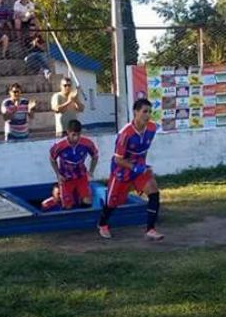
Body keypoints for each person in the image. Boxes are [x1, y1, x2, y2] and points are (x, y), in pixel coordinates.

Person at [97, 98, 163, 241]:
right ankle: (102, 224)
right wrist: (136, 167)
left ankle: (150, 229)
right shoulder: (125, 133)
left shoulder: (152, 128)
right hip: (121, 171)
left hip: (139, 168)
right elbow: (118, 159)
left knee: (153, 190)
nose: (148, 115)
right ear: (135, 112)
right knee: (112, 202)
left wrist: (142, 166)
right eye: (144, 111)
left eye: (150, 112)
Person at [49, 120, 98, 210]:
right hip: (66, 178)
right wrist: (58, 174)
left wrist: (91, 171)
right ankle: (58, 193)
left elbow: (95, 156)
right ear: (68, 132)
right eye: (73, 135)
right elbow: (52, 159)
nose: (76, 138)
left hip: (81, 176)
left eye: (78, 135)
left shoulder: (87, 143)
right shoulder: (59, 146)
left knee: (87, 202)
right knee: (67, 207)